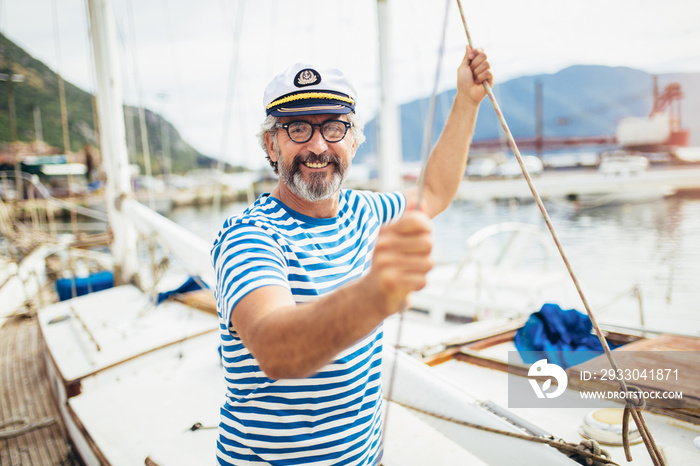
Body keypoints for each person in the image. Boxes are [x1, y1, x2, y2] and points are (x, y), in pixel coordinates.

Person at [211, 46, 492, 465]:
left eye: (334, 128)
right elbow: (276, 350)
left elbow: (434, 191)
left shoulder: (367, 212)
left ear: (354, 141)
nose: (319, 146)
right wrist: (375, 296)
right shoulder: (248, 237)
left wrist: (466, 100)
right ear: (271, 144)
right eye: (299, 129)